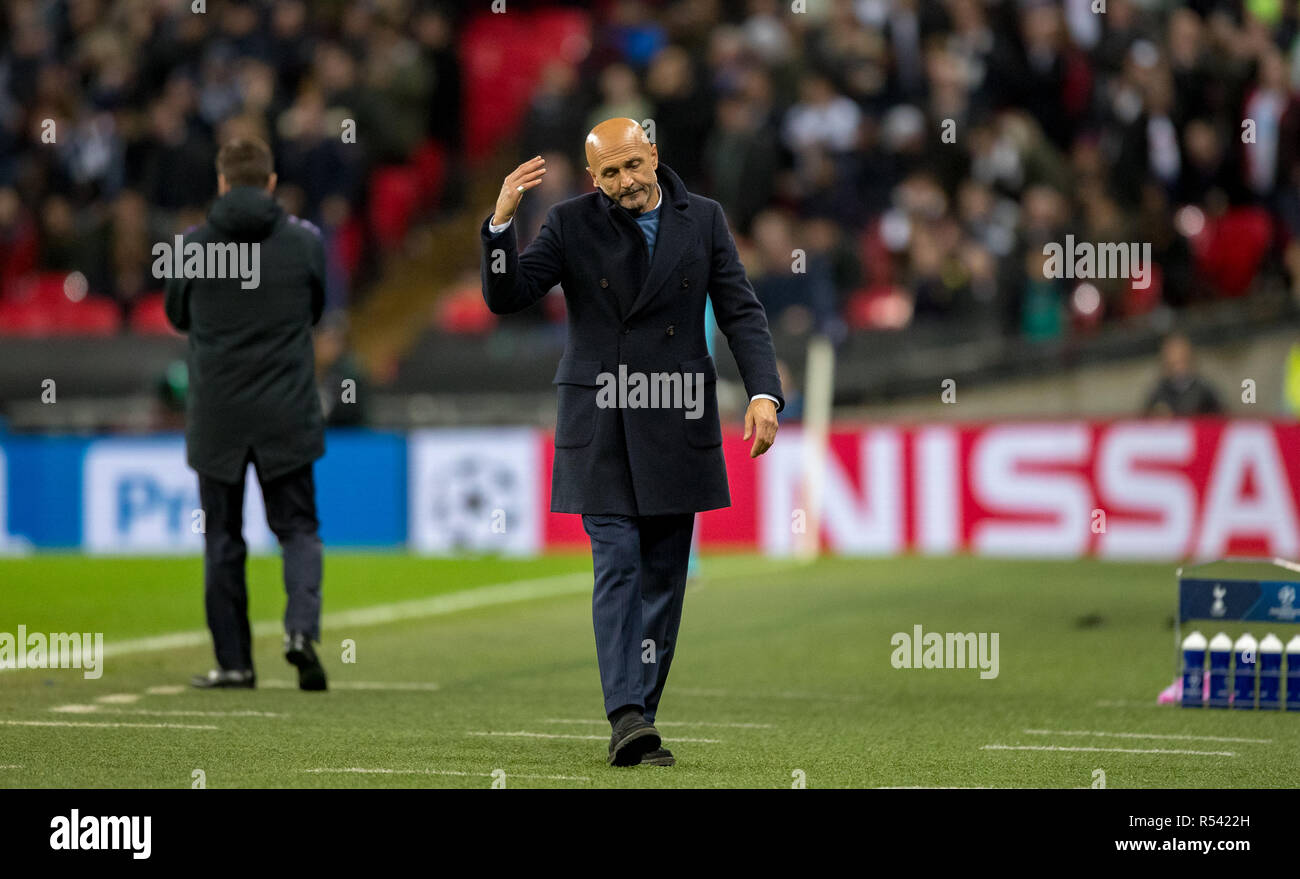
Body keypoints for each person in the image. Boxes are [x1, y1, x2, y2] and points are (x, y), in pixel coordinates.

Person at [481, 118, 783, 767]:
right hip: (602, 420)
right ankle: (625, 714)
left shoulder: (704, 218)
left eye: (631, 165)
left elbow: (740, 311)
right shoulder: (568, 223)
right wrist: (500, 226)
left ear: (653, 153)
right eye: (609, 174)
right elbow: (508, 294)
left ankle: (641, 712)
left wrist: (764, 393)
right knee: (617, 561)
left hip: (677, 416)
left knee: (665, 579)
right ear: (593, 180)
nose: (624, 182)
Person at [164, 137, 329, 691]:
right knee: (299, 530)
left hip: (218, 418)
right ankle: (301, 632)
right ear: (272, 183)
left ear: (221, 182)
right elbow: (315, 309)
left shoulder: (192, 247)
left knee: (222, 540)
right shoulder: (305, 242)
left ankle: (234, 663)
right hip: (286, 412)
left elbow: (178, 315)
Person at [1142, 331, 1224, 416]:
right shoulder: (1159, 392)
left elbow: (1220, 418)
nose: (1176, 357)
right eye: (1172, 354)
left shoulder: (1204, 391)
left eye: (1180, 354)